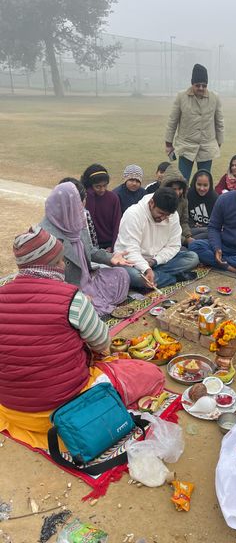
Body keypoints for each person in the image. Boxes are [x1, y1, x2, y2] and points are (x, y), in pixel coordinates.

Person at [0, 226, 164, 450]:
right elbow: (102, 343)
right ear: (53, 264)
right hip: (63, 411)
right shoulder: (71, 299)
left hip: (13, 408)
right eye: (61, 261)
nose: (63, 266)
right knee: (150, 374)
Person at [40, 182, 133, 315]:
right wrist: (73, 295)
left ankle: (90, 306)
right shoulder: (45, 235)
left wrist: (110, 257)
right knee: (74, 307)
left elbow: (90, 250)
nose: (82, 208)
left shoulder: (76, 222)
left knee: (121, 274)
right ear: (67, 206)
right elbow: (45, 279)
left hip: (88, 279)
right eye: (79, 204)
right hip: (66, 288)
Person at [115, 187, 199, 288]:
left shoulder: (173, 215)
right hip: (132, 262)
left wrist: (155, 261)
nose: (163, 218)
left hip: (156, 261)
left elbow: (174, 245)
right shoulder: (133, 214)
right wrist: (146, 268)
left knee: (192, 258)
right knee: (133, 277)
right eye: (161, 213)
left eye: (167, 215)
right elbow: (130, 251)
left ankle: (156, 277)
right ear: (151, 203)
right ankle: (174, 278)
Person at [165, 63, 224, 183]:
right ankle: (184, 201)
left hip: (207, 146)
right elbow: (172, 121)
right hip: (186, 146)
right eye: (198, 85)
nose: (201, 88)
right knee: (182, 181)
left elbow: (219, 122)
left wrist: (219, 142)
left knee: (204, 181)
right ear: (192, 83)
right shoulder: (181, 97)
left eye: (204, 85)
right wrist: (168, 143)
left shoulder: (215, 97)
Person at [81, 164, 121, 250]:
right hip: (90, 245)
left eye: (105, 185)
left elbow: (117, 225)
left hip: (109, 245)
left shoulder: (113, 198)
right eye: (97, 186)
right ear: (90, 185)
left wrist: (113, 247)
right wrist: (90, 195)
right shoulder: (85, 199)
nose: (102, 189)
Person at [59, 177, 99, 248]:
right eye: (84, 198)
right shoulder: (54, 227)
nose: (85, 202)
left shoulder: (85, 214)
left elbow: (92, 245)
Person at [160, 165, 193, 246]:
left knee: (206, 232)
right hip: (165, 238)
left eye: (180, 189)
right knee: (192, 255)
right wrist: (185, 240)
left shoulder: (183, 200)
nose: (177, 192)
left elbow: (183, 222)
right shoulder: (159, 202)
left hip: (180, 231)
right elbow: (163, 229)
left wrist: (189, 236)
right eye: (174, 189)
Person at [187, 170, 218, 240]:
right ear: (194, 183)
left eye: (205, 185)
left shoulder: (215, 198)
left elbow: (217, 221)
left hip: (208, 231)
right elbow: (184, 217)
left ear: (210, 185)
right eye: (199, 184)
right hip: (190, 230)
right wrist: (192, 224)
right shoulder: (188, 194)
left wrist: (205, 225)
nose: (202, 188)